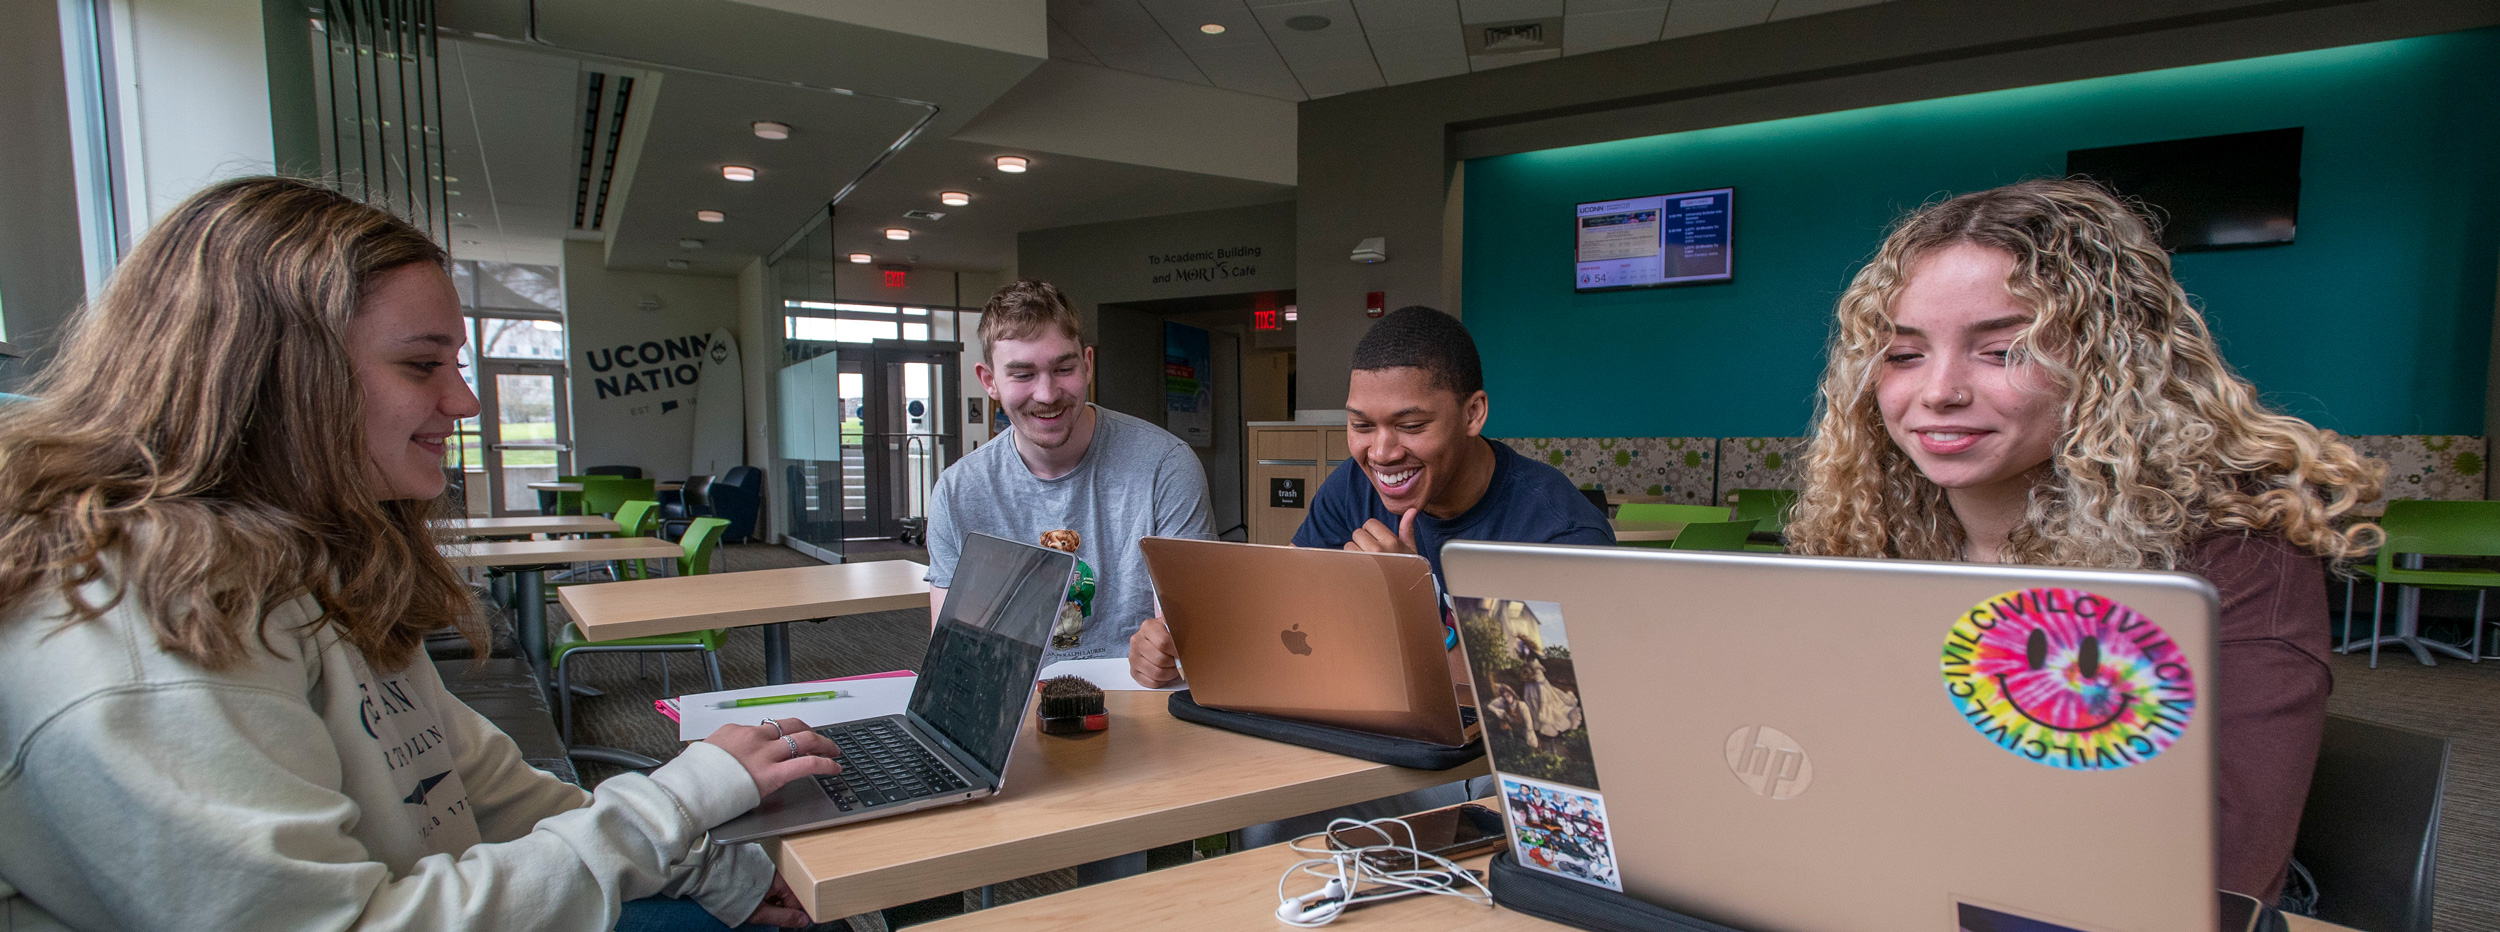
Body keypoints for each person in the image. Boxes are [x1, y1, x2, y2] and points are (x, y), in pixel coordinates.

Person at [0, 177, 842, 931]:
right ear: (277, 377)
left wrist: (707, 868)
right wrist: (678, 801)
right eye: (421, 365)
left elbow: (480, 787)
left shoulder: (323, 562)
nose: (466, 401)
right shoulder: (135, 636)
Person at [1784, 178, 2381, 901]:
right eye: (1904, 355)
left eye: (2003, 351)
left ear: (2110, 366)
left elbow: (2221, 875)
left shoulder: (2234, 552)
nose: (1938, 390)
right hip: (1897, 883)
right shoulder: (1870, 528)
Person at [1129, 305, 1613, 689]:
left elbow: (1545, 703)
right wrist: (1186, 647)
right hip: (1373, 739)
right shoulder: (1354, 487)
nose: (1380, 453)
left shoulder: (1558, 531)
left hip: (1489, 769)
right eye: (1360, 425)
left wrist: (1411, 610)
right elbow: (1283, 615)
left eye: (1411, 426)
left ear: (1473, 413)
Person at [924, 280, 1213, 664]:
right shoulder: (959, 492)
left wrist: (1172, 652)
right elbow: (952, 656)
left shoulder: (1165, 466)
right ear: (989, 381)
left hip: (1139, 700)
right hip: (1016, 710)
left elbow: (1191, 634)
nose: (1047, 394)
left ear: (1088, 364)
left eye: (1063, 368)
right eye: (1022, 374)